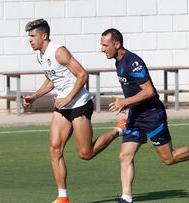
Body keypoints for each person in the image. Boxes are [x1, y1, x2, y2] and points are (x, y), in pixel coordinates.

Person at [100, 28, 189, 203]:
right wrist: (128, 105)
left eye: (105, 45)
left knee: (169, 158)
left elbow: (149, 91)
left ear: (117, 44)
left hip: (152, 116)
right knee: (125, 155)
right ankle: (126, 198)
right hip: (136, 116)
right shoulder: (118, 62)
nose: (102, 49)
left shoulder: (133, 62)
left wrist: (124, 102)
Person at [22, 19, 126, 203]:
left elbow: (82, 75)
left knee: (86, 154)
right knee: (55, 150)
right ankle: (63, 197)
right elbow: (51, 79)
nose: (29, 40)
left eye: (32, 36)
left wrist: (68, 98)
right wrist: (35, 96)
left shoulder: (59, 52)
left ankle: (118, 130)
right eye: (28, 36)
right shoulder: (40, 55)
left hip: (79, 105)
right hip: (62, 107)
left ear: (44, 36)